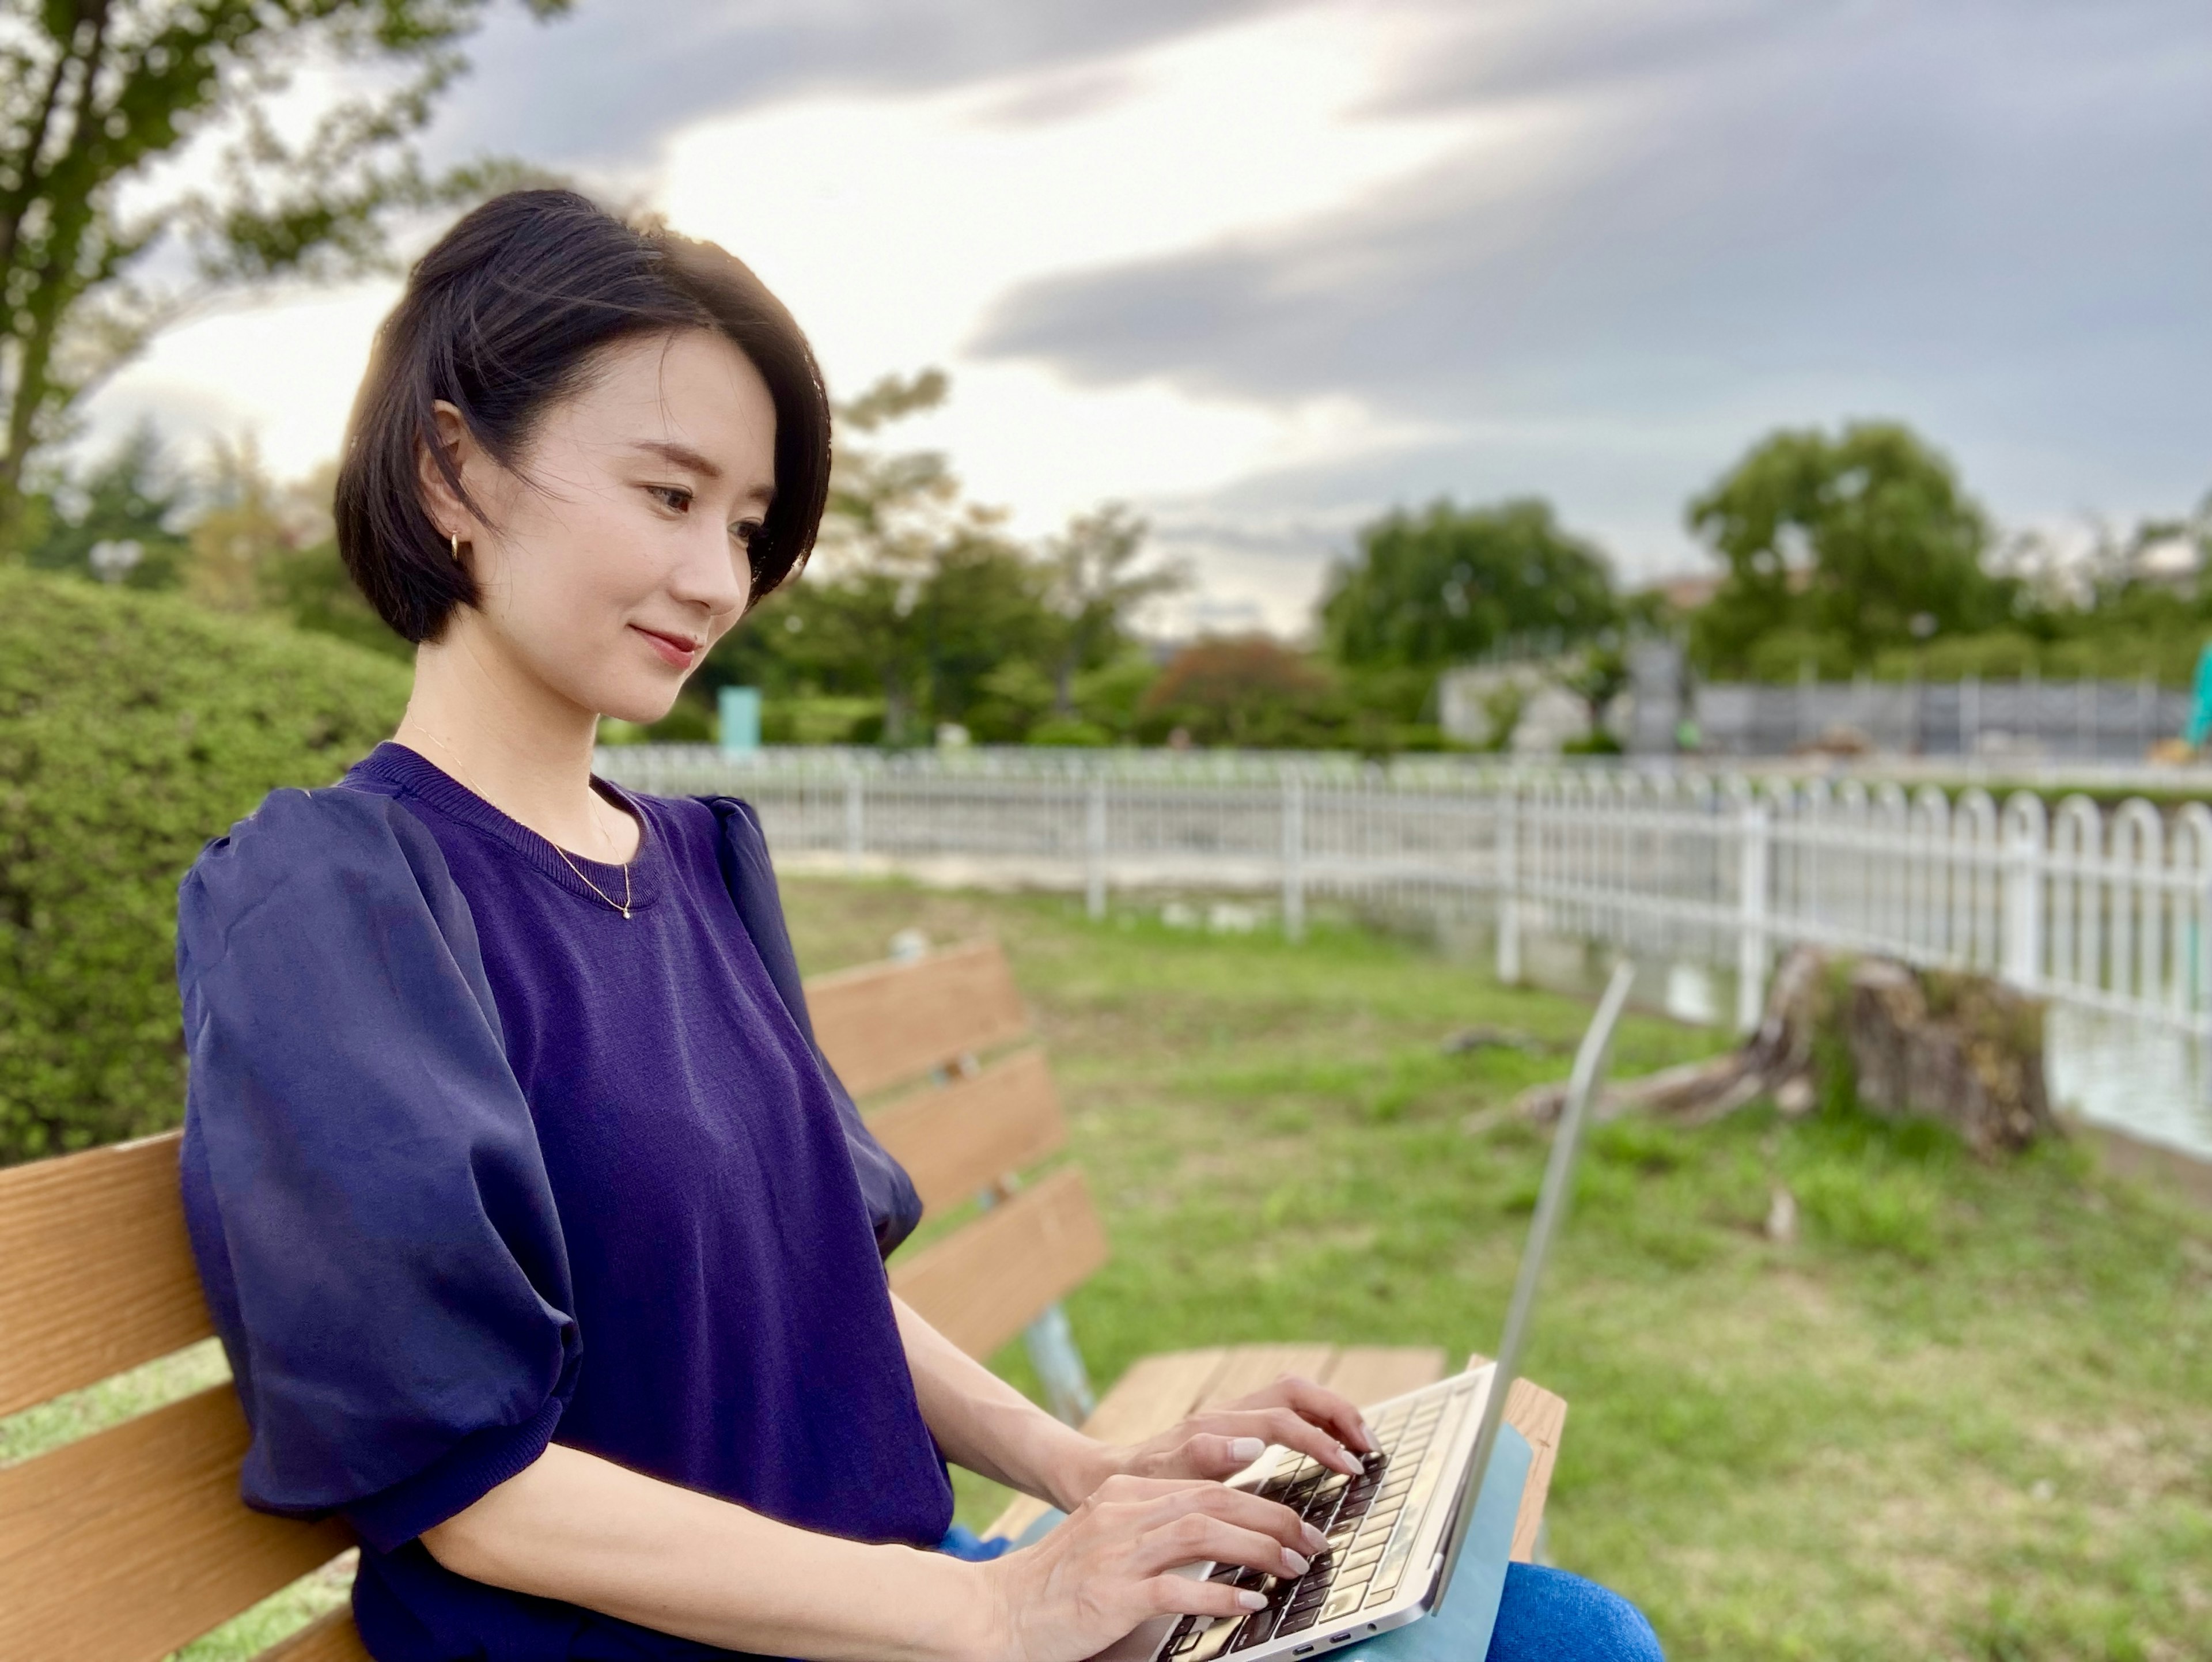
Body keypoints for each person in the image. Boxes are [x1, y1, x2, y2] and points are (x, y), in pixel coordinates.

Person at [176, 189, 1663, 1662]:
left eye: (750, 526)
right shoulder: (338, 899)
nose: (718, 581)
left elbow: (822, 1275)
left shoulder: (694, 860)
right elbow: (476, 1492)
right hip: (698, 1641)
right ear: (451, 468)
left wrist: (1088, 1473)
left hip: (900, 1604)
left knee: (1553, 1632)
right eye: (668, 496)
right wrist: (998, 1606)